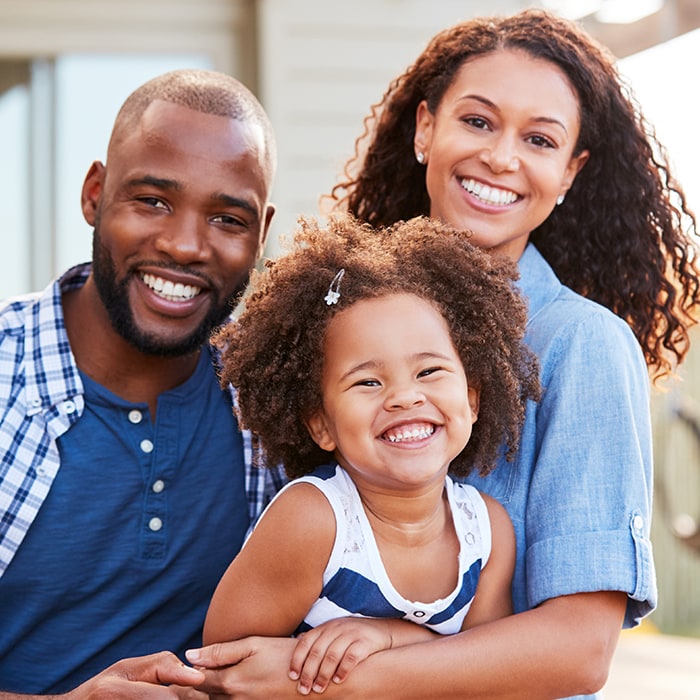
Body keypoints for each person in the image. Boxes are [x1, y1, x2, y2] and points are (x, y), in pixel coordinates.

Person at [186, 8, 700, 700]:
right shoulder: (337, 312)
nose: (501, 157)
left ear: (570, 171)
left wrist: (345, 674)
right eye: (478, 121)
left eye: (540, 139)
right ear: (426, 128)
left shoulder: (581, 346)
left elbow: (579, 649)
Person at [0, 68, 286, 698]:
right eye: (153, 201)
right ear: (95, 194)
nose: (186, 246)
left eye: (227, 219)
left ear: (261, 234)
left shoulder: (280, 403)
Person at [203, 214, 540, 692]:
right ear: (321, 424)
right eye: (367, 381)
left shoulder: (486, 534)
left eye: (429, 372)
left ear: (472, 398)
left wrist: (389, 636)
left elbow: (484, 677)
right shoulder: (314, 522)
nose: (404, 397)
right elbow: (224, 670)